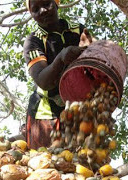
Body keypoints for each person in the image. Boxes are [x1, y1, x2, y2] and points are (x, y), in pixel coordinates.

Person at [23, 0, 93, 149]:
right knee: (44, 164)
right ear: (32, 15)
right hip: (46, 114)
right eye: (35, 9)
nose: (42, 11)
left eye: (46, 4)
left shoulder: (77, 30)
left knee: (80, 165)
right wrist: (61, 58)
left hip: (76, 111)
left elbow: (92, 60)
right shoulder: (34, 41)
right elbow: (43, 80)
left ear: (56, 3)